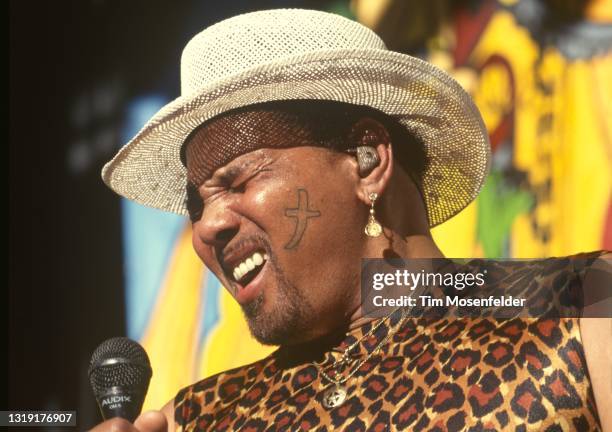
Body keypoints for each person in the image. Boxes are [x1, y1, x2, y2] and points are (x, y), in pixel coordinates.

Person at [92, 9, 611, 432]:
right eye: (196, 205)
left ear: (367, 160)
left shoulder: (584, 309)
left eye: (237, 181)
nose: (206, 228)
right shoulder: (202, 418)